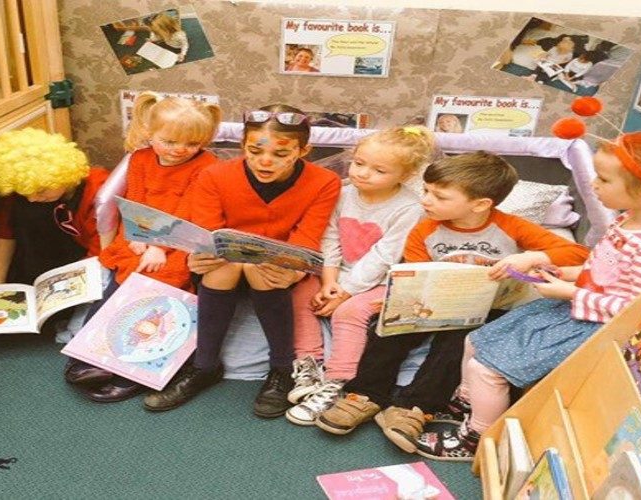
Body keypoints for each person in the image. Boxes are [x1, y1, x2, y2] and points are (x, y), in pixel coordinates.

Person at [414, 123, 641, 461]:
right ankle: (468, 404)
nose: (593, 185)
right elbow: (605, 269)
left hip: (596, 327)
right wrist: (562, 272)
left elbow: (633, 309)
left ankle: (477, 437)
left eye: (604, 180)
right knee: (476, 341)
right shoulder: (628, 220)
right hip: (577, 307)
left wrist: (568, 291)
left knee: (486, 368)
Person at [315, 152, 589, 441]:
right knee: (388, 329)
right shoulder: (423, 230)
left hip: (488, 307)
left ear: (480, 204)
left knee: (456, 344)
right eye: (426, 191)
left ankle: (416, 407)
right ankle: (365, 394)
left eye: (439, 196)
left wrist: (531, 257)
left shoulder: (512, 226)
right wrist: (400, 300)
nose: (426, 201)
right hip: (432, 304)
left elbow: (578, 254)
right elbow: (416, 273)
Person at [142, 104, 341, 418]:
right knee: (231, 261)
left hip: (278, 272)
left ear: (303, 150)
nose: (265, 161)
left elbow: (307, 237)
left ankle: (281, 368)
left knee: (257, 263)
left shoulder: (325, 181)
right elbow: (207, 233)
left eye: (280, 153)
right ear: (242, 145)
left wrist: (295, 271)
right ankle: (205, 366)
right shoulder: (214, 175)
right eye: (254, 150)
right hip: (222, 271)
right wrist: (198, 258)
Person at [63, 92, 223, 403]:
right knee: (120, 282)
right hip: (140, 233)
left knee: (160, 281)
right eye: (170, 141)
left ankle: (134, 368)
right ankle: (86, 357)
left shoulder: (207, 165)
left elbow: (189, 212)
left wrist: (159, 246)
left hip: (180, 239)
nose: (180, 150)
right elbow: (134, 200)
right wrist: (139, 235)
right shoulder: (139, 159)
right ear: (150, 133)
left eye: (191, 144)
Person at [284, 126, 434, 426]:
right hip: (337, 273)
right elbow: (330, 238)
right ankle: (309, 364)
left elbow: (385, 257)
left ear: (405, 175)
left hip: (383, 280)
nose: (363, 173)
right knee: (299, 290)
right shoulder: (342, 193)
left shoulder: (409, 208)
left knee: (349, 312)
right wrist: (329, 282)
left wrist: (345, 293)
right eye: (359, 163)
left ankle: (338, 380)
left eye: (379, 170)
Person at [0, 128, 109, 286]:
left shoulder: (97, 192)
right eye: (24, 192)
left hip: (83, 264)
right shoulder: (27, 189)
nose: (32, 199)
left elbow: (101, 251)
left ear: (61, 175)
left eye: (40, 191)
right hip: (36, 265)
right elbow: (5, 234)